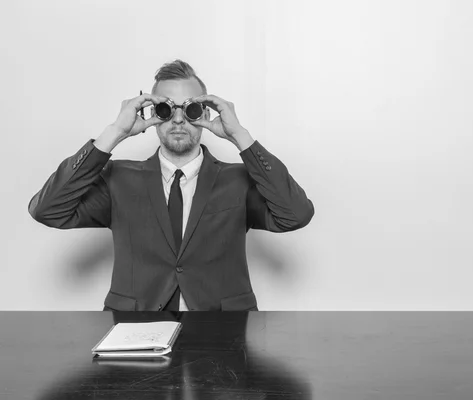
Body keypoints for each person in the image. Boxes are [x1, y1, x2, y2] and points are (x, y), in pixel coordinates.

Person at [28, 59, 314, 311]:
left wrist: (241, 136)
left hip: (222, 333)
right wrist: (114, 133)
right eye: (165, 108)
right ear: (151, 113)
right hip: (135, 331)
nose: (178, 118)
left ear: (205, 113)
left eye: (190, 109)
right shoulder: (119, 179)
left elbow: (295, 214)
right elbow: (48, 210)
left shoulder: (238, 180)